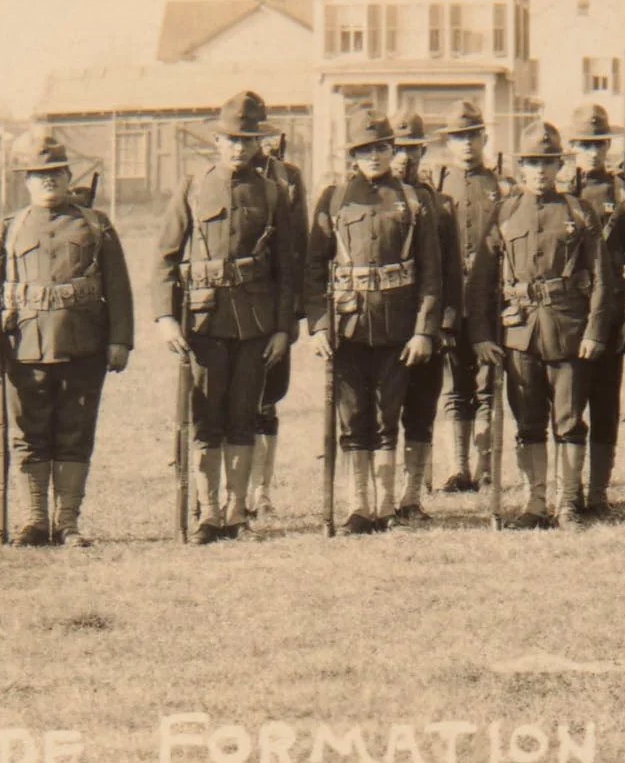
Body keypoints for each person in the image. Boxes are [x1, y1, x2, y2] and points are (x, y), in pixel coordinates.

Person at [0, 126, 133, 548]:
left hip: (84, 346)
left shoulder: (96, 225)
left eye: (57, 173)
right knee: (29, 433)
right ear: (26, 181)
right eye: (40, 175)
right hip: (24, 348)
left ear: (68, 177)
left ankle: (67, 522)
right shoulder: (7, 230)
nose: (49, 181)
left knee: (76, 432)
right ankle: (34, 520)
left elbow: (118, 287)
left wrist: (120, 341)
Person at [150, 91, 301, 544]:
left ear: (260, 144)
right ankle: (209, 512)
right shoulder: (193, 187)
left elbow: (288, 267)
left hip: (255, 324)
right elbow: (165, 257)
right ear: (216, 140)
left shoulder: (274, 193)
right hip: (204, 322)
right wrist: (165, 318)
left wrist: (283, 329)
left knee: (243, 416)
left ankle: (237, 512)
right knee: (205, 416)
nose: (239, 148)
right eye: (231, 139)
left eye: (248, 140)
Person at [303, 108, 444, 535]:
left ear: (392, 150)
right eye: (366, 149)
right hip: (347, 326)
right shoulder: (334, 199)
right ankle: (358, 506)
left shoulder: (414, 199)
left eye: (382, 147)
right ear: (353, 155)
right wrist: (319, 325)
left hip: (396, 326)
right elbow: (313, 269)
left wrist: (423, 330)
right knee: (353, 415)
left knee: (387, 414)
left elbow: (431, 273)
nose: (375, 156)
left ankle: (385, 506)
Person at [465, 120, 611, 527]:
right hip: (519, 332)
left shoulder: (579, 212)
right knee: (527, 420)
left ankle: (567, 502)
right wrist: (479, 336)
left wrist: (596, 331)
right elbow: (480, 282)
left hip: (568, 330)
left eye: (548, 163)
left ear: (560, 165)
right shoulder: (506, 210)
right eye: (532, 163)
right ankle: (536, 502)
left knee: (567, 419)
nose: (541, 171)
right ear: (521, 166)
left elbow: (602, 278)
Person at [566, 104, 625, 518]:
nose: (591, 153)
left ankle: (598, 491)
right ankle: (571, 490)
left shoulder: (624, 194)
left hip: (611, 316)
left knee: (605, 405)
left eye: (598, 145)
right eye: (584, 145)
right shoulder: (562, 193)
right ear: (572, 147)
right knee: (569, 404)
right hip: (568, 316)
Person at [433, 100, 508, 491]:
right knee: (454, 386)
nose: (465, 144)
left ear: (483, 137)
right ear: (448, 142)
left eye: (471, 136)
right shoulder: (438, 185)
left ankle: (486, 467)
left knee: (488, 385)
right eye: (457, 138)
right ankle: (457, 467)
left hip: (491, 302)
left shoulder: (502, 186)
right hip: (450, 300)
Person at [386, 112, 454, 523]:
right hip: (381, 323)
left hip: (425, 326)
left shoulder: (436, 202)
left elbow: (448, 273)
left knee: (420, 410)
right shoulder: (366, 197)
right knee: (381, 414)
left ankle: (411, 496)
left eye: (412, 150)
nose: (403, 159)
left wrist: (441, 326)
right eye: (396, 149)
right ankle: (379, 495)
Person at [242, 126, 308, 521]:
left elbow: (297, 244)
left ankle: (261, 492)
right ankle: (230, 493)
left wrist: (293, 312)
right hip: (233, 303)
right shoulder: (217, 178)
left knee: (267, 397)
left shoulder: (288, 177)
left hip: (274, 304)